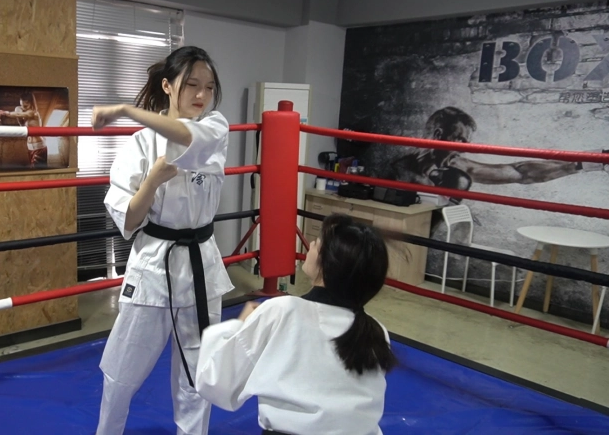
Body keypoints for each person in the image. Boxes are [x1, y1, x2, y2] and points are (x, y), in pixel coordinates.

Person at [93, 46, 231, 435]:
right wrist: (151, 182)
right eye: (191, 85)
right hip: (154, 266)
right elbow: (129, 219)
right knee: (122, 370)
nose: (201, 95)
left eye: (208, 87)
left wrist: (124, 109)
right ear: (168, 86)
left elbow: (186, 135)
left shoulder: (215, 127)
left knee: (197, 375)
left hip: (201, 266)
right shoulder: (139, 144)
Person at [195, 214, 396, 435]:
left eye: (317, 243)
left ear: (326, 264)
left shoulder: (282, 311)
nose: (311, 245)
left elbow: (216, 382)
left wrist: (239, 326)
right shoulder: (377, 332)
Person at [389, 106, 607, 190]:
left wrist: (580, 164)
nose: (464, 149)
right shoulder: (399, 170)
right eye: (460, 140)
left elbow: (519, 172)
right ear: (438, 136)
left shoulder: (457, 165)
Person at [0, 91, 47, 168]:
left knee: (37, 171)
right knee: (33, 170)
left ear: (31, 104)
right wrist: (18, 116)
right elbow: (21, 124)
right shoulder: (24, 113)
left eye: (26, 106)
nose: (23, 108)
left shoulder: (33, 113)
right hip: (30, 147)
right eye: (21, 105)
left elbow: (18, 114)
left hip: (39, 147)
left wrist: (3, 113)